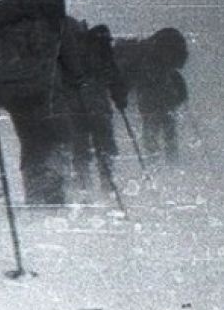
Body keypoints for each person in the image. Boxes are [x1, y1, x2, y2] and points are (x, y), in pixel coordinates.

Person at [0, 0, 87, 206]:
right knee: (57, 136)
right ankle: (53, 189)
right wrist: (76, 78)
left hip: (11, 94)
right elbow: (69, 56)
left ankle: (36, 193)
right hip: (45, 89)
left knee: (31, 141)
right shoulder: (51, 16)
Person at [65, 21, 128, 197]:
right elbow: (114, 77)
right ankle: (108, 186)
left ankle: (83, 188)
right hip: (97, 106)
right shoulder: (101, 51)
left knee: (80, 149)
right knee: (104, 145)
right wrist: (120, 99)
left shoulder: (69, 51)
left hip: (74, 107)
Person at [113, 27, 189, 162]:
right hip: (158, 96)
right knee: (163, 126)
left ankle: (156, 159)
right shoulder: (158, 59)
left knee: (154, 127)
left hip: (152, 97)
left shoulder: (151, 56)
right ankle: (168, 160)